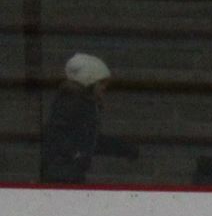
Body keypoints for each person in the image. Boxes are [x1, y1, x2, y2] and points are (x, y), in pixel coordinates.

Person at [39, 53, 142, 184]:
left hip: (67, 174)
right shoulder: (75, 104)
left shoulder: (77, 103)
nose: (105, 88)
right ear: (90, 82)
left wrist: (123, 148)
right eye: (102, 82)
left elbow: (88, 139)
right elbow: (75, 139)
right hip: (63, 177)